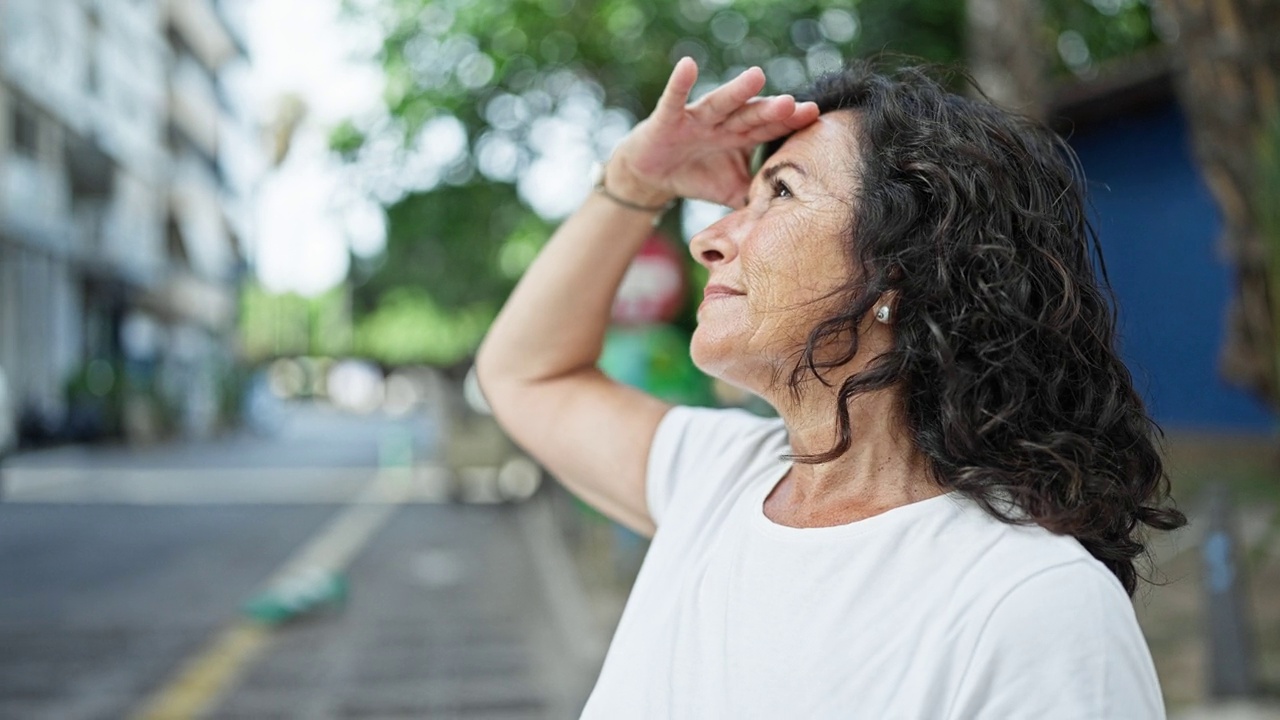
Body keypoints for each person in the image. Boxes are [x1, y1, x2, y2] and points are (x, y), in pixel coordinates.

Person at [475, 57, 1186, 719]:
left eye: (780, 191)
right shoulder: (717, 478)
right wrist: (634, 183)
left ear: (907, 266)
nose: (711, 238)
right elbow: (526, 372)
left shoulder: (1033, 606)